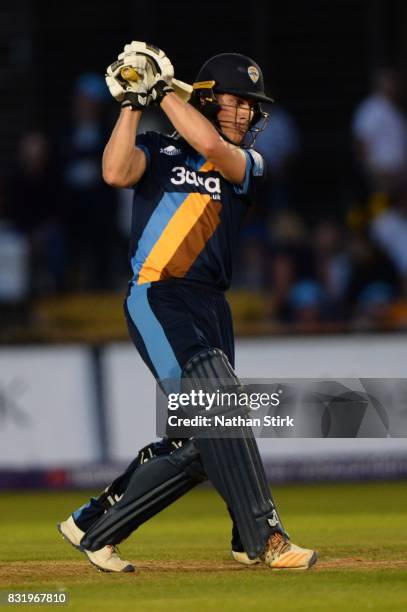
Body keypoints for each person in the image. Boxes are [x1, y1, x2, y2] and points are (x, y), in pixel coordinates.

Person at [57, 42, 317, 573]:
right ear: (205, 100)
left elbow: (216, 151)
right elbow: (114, 171)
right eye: (234, 101)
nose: (246, 112)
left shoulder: (249, 164)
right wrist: (133, 100)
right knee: (221, 410)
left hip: (211, 306)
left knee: (201, 438)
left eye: (252, 105)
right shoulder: (158, 147)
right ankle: (263, 538)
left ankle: (93, 523)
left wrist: (161, 89)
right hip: (158, 295)